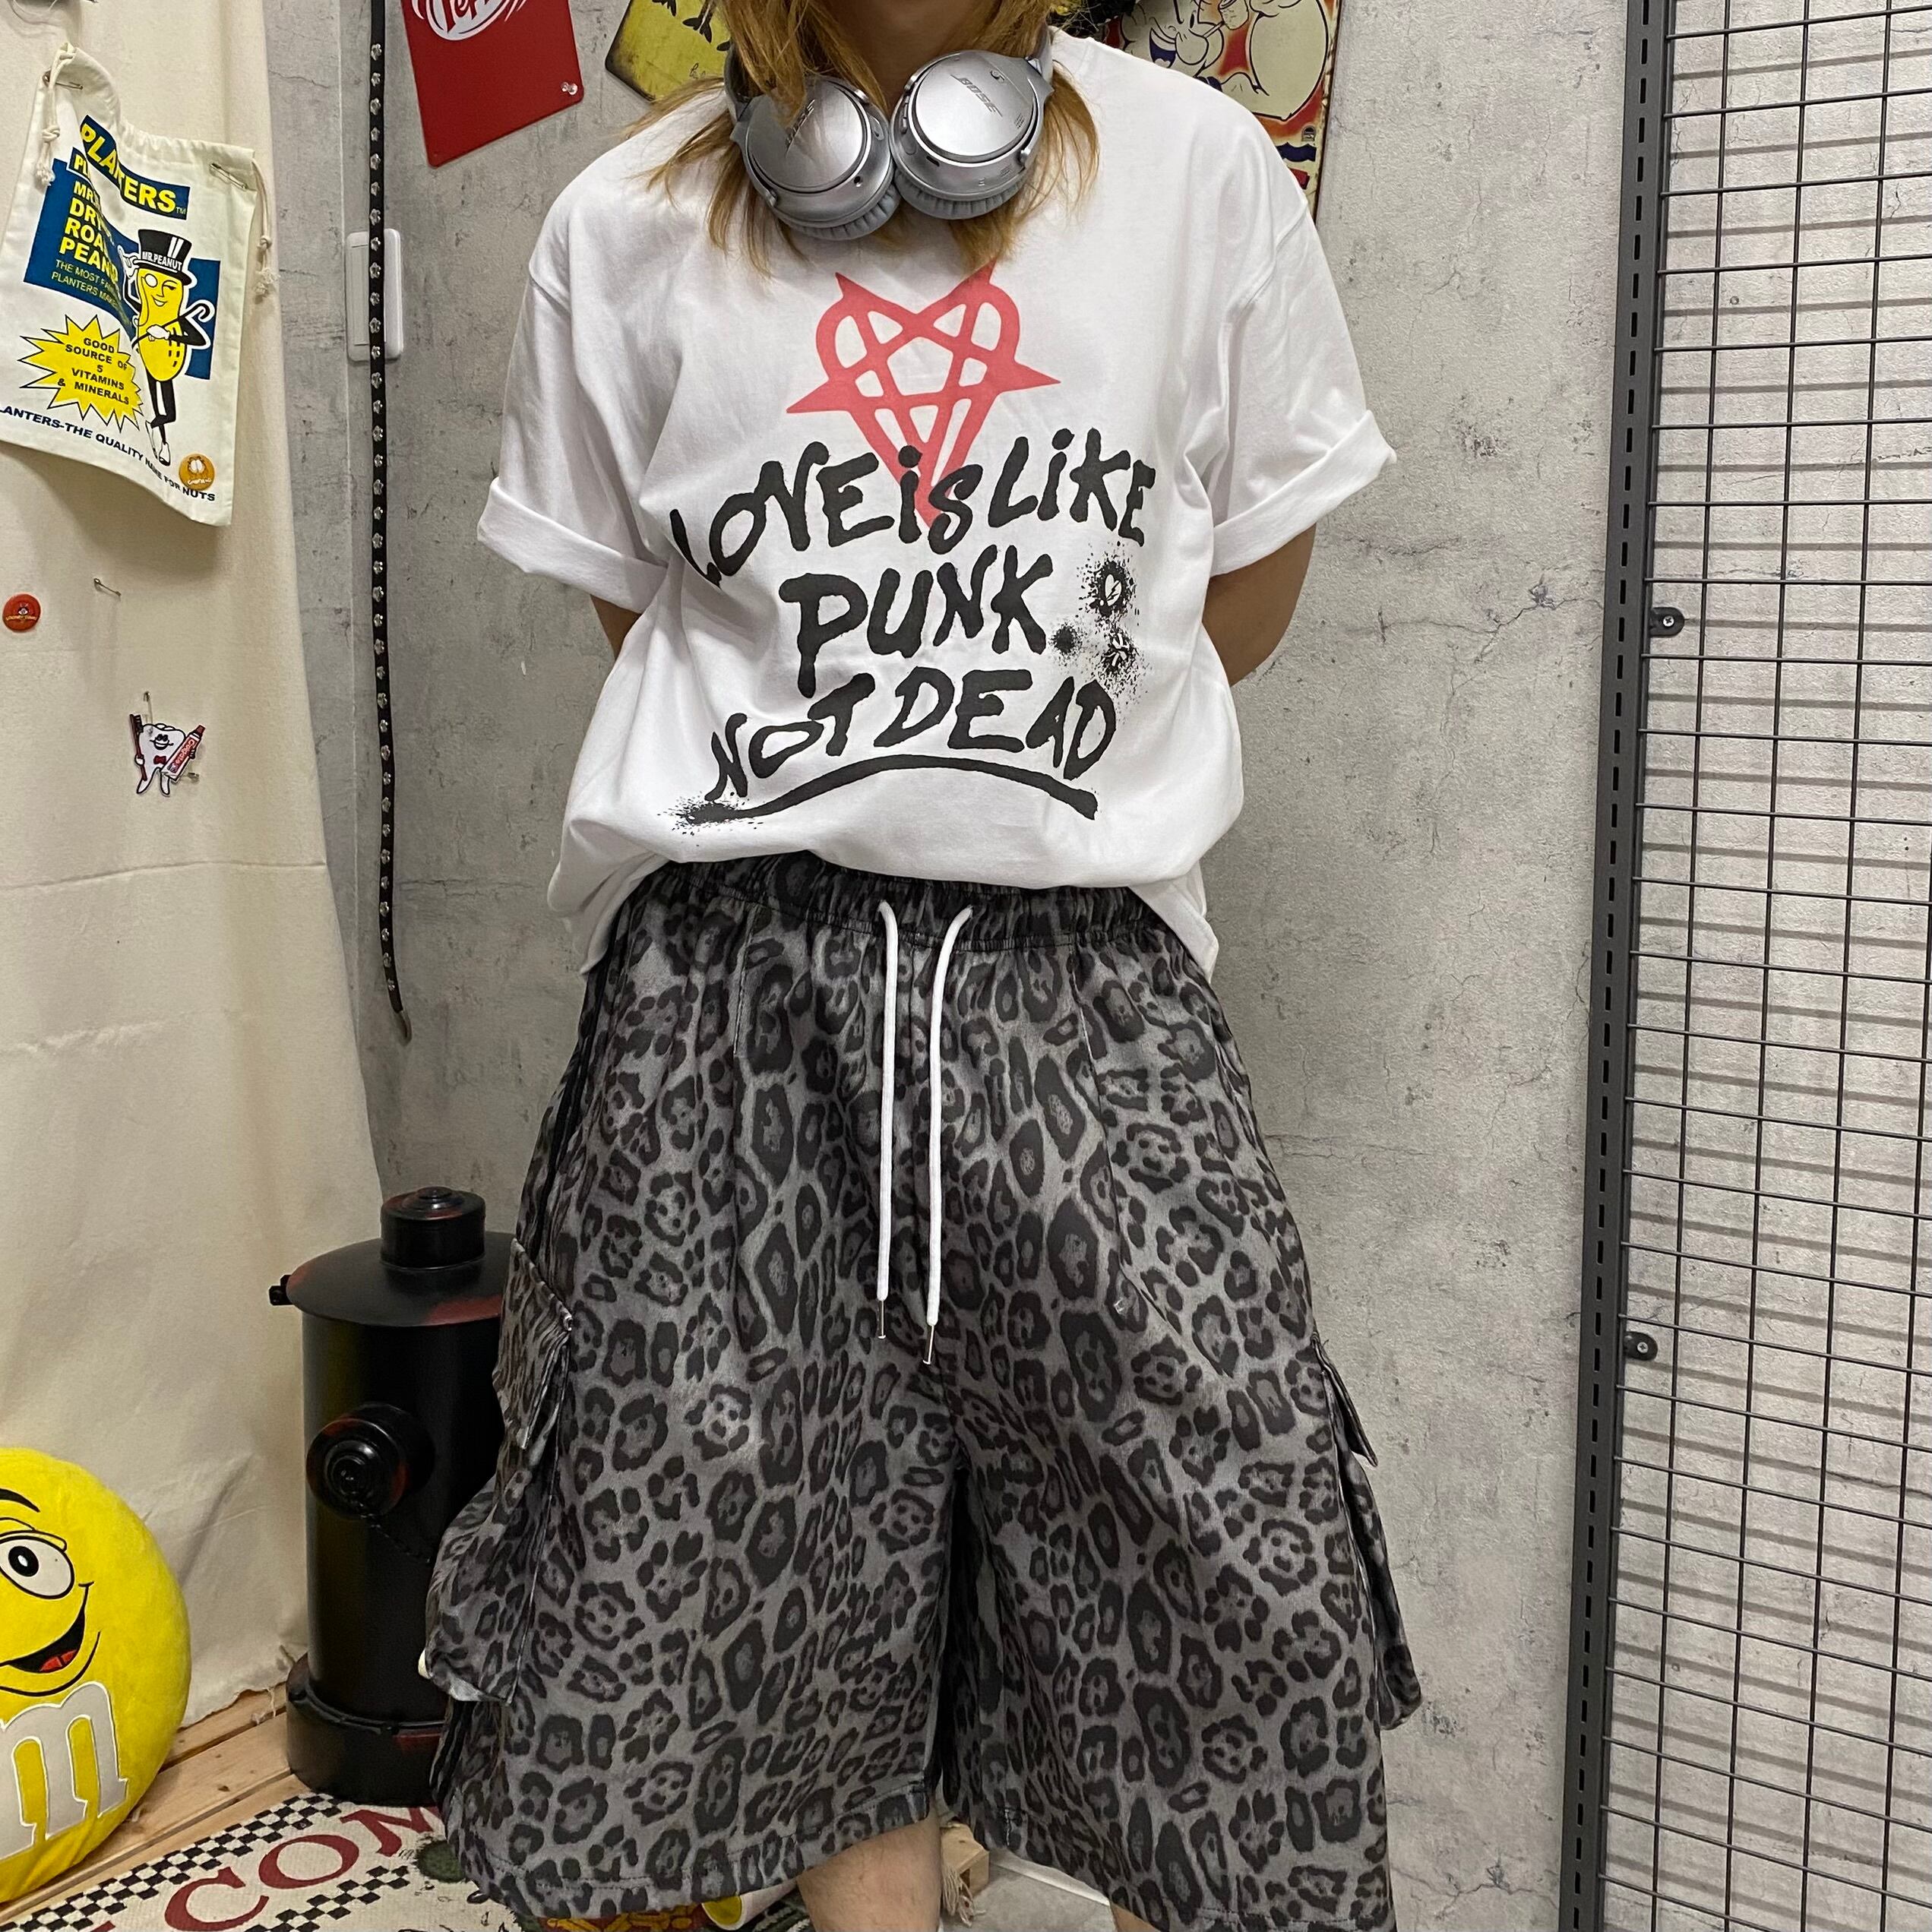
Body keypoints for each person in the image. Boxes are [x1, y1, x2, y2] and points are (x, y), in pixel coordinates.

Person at [421, 0, 1423, 1923]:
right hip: (730, 1012)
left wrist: (1014, 771)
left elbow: (1240, 592)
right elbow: (657, 626)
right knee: (792, 1599)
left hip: (1085, 991)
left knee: (1237, 1586)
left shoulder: (1201, 170)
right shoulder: (620, 224)